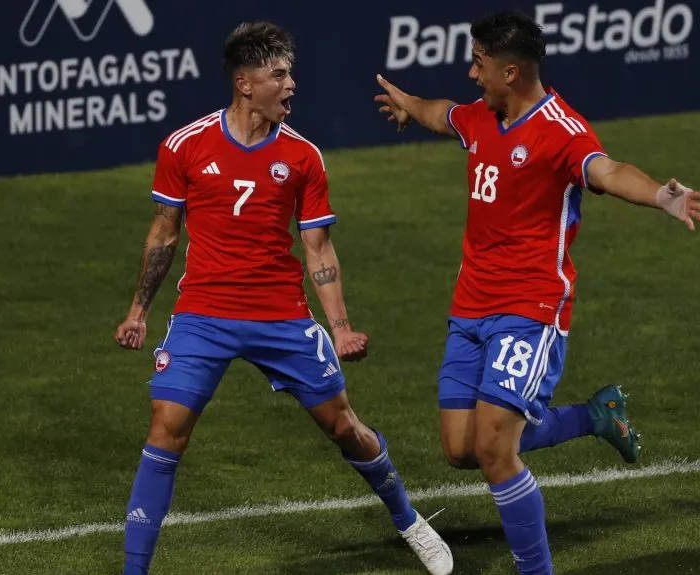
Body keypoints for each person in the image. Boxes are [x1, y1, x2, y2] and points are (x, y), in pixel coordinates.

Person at [374, 10, 700, 574]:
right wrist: (410, 104)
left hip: (530, 309)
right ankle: (593, 416)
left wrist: (660, 195)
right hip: (469, 308)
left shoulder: (561, 130)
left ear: (510, 72)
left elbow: (607, 170)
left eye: (479, 63)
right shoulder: (483, 116)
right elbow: (443, 115)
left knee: (494, 449)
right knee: (461, 448)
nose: (471, 73)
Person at [114, 21, 453, 575]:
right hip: (203, 314)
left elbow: (318, 248)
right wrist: (138, 312)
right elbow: (164, 235)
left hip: (281, 317)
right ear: (245, 83)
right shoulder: (184, 146)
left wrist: (340, 327)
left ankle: (409, 520)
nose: (291, 84)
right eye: (278, 74)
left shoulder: (302, 157)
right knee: (164, 429)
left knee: (344, 427)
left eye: (290, 73)